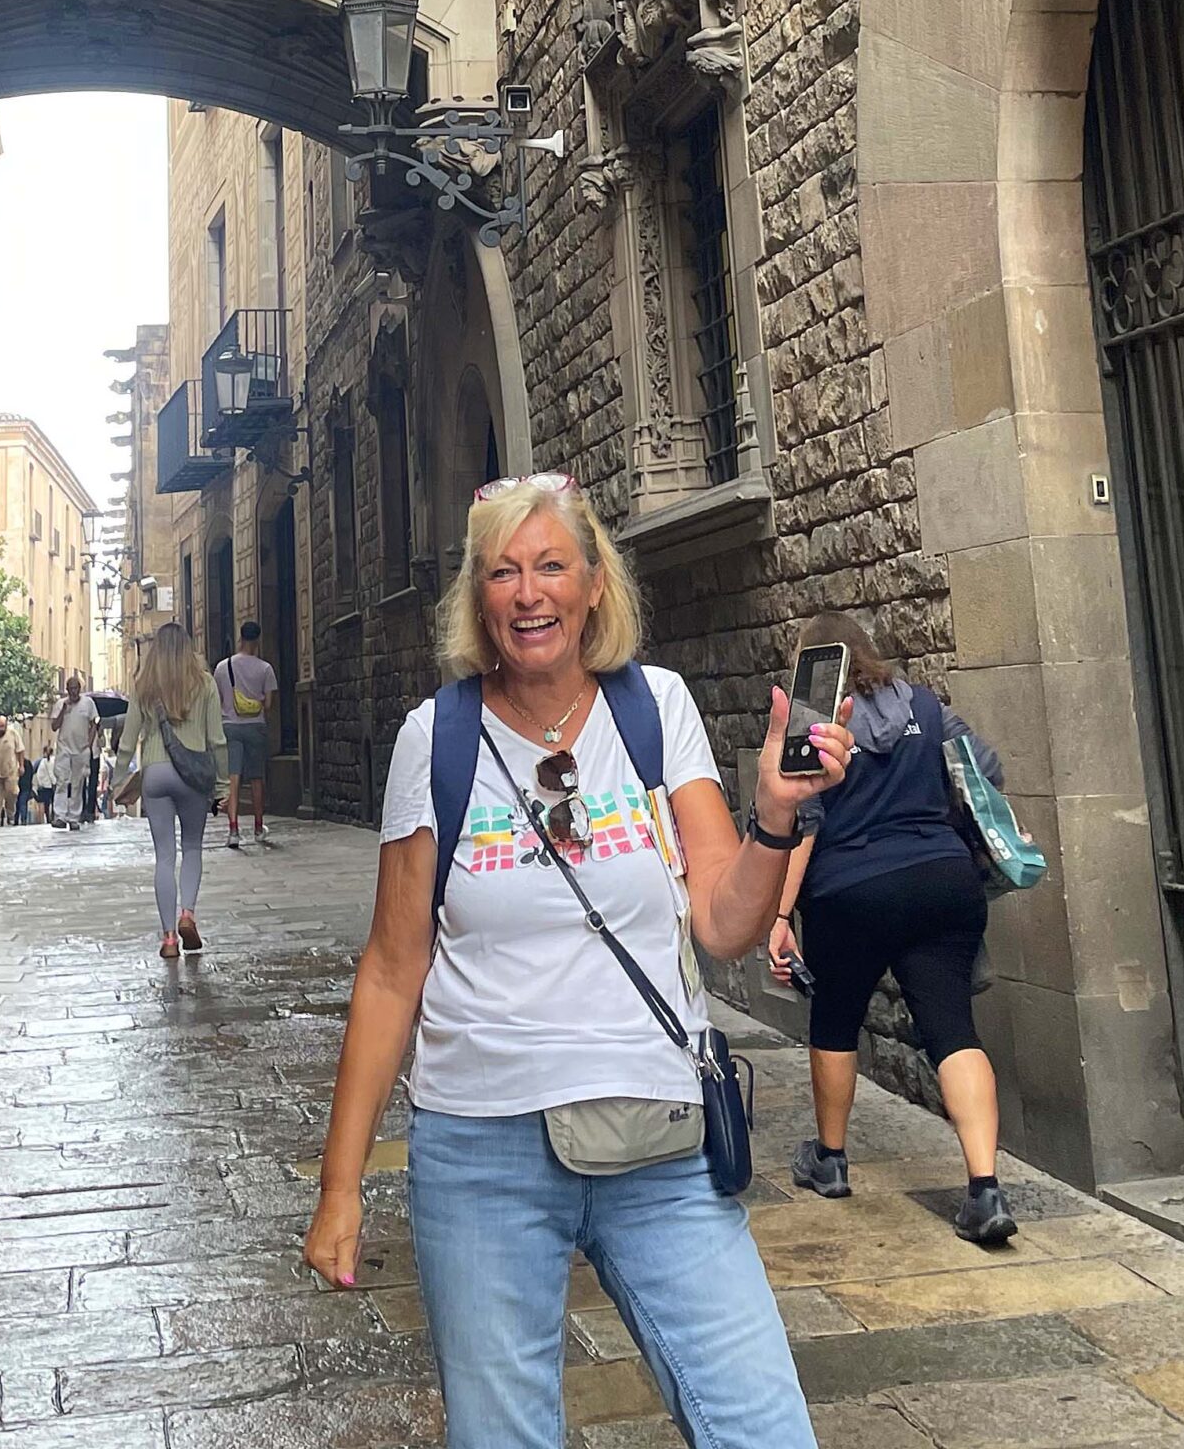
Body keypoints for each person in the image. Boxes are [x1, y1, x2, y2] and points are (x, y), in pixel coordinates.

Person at [303, 472, 853, 1449]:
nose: (529, 593)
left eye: (551, 566)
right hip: (482, 1151)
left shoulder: (654, 709)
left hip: (659, 1138)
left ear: (594, 584)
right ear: (478, 597)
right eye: (502, 571)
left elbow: (723, 924)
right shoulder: (437, 739)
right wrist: (339, 1185)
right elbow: (391, 969)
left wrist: (774, 818)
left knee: (761, 1425)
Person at [766, 610, 1018, 1245]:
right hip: (942, 879)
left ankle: (830, 1161)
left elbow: (803, 821)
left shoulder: (814, 725)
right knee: (952, 1028)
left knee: (835, 1019)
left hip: (849, 891)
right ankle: (985, 1189)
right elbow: (984, 768)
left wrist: (779, 916)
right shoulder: (925, 707)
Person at [108, 622, 228, 959]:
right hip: (192, 773)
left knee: (164, 856)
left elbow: (128, 741)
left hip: (156, 773)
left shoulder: (144, 685)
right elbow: (217, 740)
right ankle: (187, 914)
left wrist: (119, 781)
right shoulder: (204, 683)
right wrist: (222, 784)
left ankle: (169, 939)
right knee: (192, 847)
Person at [216, 622, 279, 850]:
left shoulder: (223, 667)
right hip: (255, 727)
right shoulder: (266, 669)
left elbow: (219, 700)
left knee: (233, 779)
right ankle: (258, 827)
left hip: (230, 727)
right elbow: (268, 705)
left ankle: (233, 830)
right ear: (257, 641)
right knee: (256, 778)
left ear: (240, 638)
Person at [50, 672, 99, 832]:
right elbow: (54, 726)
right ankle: (60, 816)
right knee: (62, 781)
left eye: (76, 688)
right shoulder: (60, 704)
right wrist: (64, 710)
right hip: (64, 747)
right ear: (67, 690)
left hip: (81, 749)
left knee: (78, 783)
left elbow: (94, 724)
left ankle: (74, 817)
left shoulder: (88, 703)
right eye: (71, 689)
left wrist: (88, 744)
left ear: (80, 689)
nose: (73, 692)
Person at [32, 746, 57, 822]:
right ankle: (52, 817)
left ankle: (46, 818)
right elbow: (52, 773)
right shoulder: (54, 760)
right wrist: (54, 782)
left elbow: (35, 772)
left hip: (44, 785)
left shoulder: (40, 762)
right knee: (54, 802)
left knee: (45, 803)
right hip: (52, 785)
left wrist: (39, 783)